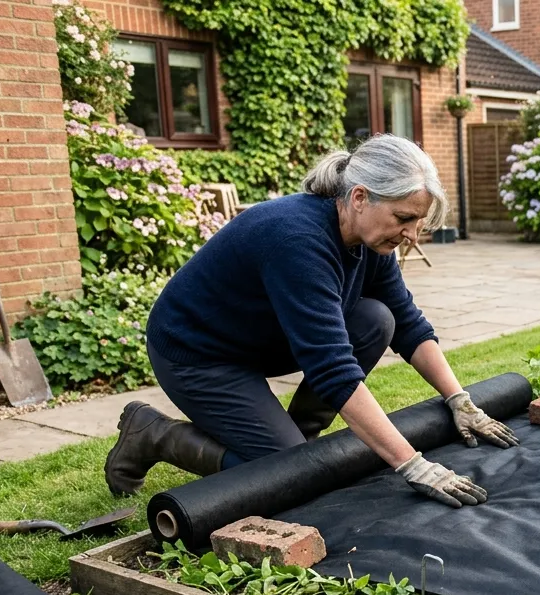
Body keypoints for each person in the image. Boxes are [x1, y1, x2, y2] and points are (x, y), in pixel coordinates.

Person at [103, 134, 518, 508]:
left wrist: (460, 401)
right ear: (360, 197)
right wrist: (413, 465)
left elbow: (409, 323)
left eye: (417, 222)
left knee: (377, 318)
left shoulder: (373, 243)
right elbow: (333, 369)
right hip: (198, 353)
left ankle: (298, 441)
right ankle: (153, 433)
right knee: (288, 475)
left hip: (259, 337)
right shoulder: (297, 241)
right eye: (403, 218)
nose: (412, 234)